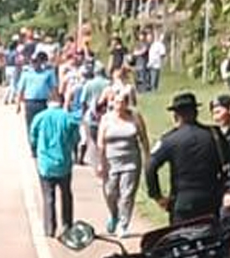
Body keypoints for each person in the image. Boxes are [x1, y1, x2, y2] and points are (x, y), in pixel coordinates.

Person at [145, 92, 230, 224]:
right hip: (211, 200)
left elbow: (150, 166)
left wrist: (157, 197)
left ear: (175, 115)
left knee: (180, 239)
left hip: (182, 203)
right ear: (196, 112)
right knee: (213, 240)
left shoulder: (170, 139)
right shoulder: (215, 135)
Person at [96, 87, 150, 236]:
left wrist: (147, 157)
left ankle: (123, 224)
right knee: (110, 192)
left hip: (131, 160)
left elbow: (143, 138)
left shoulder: (135, 117)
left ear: (127, 103)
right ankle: (114, 215)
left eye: (122, 102)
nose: (119, 105)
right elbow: (101, 142)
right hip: (111, 160)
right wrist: (101, 163)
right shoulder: (106, 119)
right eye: (116, 102)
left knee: (127, 193)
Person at [30, 89, 80, 238]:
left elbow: (32, 136)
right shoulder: (69, 118)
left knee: (48, 196)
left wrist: (35, 150)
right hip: (64, 162)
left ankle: (49, 228)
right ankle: (67, 225)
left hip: (45, 163)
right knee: (66, 194)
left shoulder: (39, 117)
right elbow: (76, 138)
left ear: (48, 102)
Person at [17, 51, 58, 132]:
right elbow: (21, 89)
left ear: (40, 61)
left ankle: (40, 142)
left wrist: (56, 100)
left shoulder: (46, 73)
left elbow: (53, 88)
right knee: (30, 124)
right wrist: (18, 104)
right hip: (30, 102)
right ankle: (32, 143)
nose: (34, 63)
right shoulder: (26, 73)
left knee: (42, 124)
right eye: (32, 61)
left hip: (42, 102)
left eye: (36, 61)